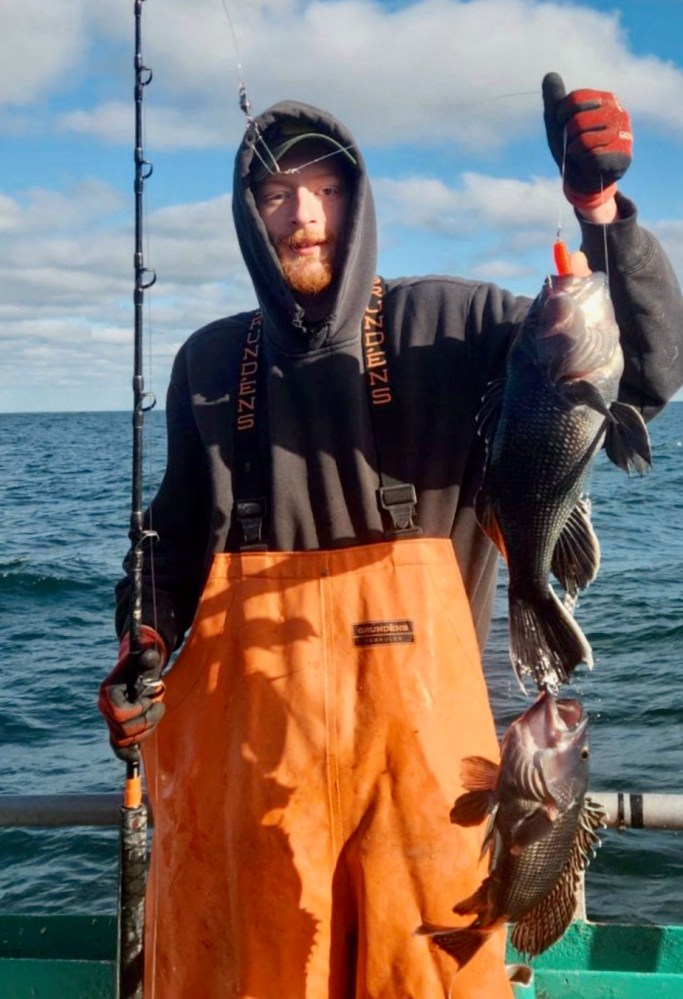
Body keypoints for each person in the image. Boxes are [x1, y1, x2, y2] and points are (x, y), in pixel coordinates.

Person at [99, 72, 683, 998]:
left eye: (325, 189)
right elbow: (168, 546)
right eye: (276, 192)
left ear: (359, 201)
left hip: (420, 797)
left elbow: (639, 375)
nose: (302, 214)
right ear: (249, 214)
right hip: (249, 806)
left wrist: (601, 212)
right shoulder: (208, 364)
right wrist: (143, 641)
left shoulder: (453, 324)